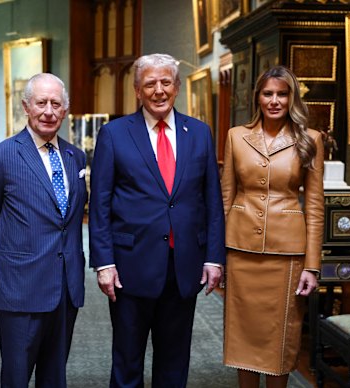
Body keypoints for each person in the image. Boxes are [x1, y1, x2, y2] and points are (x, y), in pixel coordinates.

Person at [89, 53, 226, 387]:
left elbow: (211, 200)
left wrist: (213, 257)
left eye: (166, 82)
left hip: (184, 267)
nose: (159, 90)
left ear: (177, 87)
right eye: (150, 83)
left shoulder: (199, 133)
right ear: (138, 90)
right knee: (127, 361)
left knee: (174, 362)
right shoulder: (114, 134)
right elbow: (100, 203)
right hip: (130, 268)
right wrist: (104, 262)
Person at [0, 73, 88, 387]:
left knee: (54, 377)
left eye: (56, 104)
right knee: (16, 377)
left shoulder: (75, 156)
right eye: (41, 103)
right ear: (26, 107)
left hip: (65, 287)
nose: (48, 111)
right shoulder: (0, 157)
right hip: (20, 286)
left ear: (65, 110)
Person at [221, 65, 324, 388]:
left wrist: (312, 267)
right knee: (243, 337)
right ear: (258, 97)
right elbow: (227, 195)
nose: (275, 100)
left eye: (282, 94)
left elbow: (317, 207)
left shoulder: (311, 140)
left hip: (287, 254)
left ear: (291, 98)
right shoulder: (236, 136)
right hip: (240, 250)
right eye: (268, 94)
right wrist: (217, 253)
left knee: (281, 337)